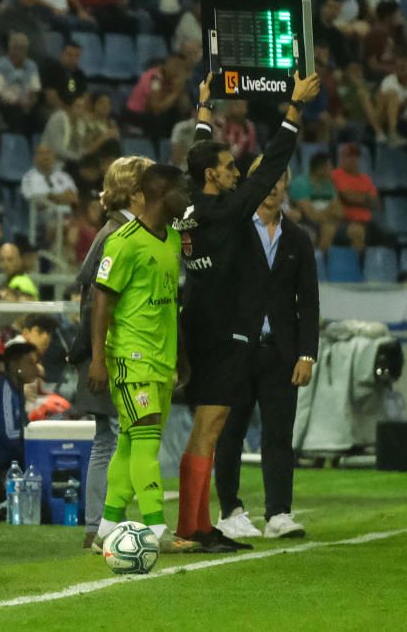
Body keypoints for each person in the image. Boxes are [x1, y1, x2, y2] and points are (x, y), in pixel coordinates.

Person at [176, 71, 319, 550]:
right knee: (212, 428)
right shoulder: (227, 211)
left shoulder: (188, 203)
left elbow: (197, 158)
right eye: (229, 168)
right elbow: (270, 163)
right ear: (215, 177)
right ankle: (193, 526)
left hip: (197, 329)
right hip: (223, 336)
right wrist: (294, 110)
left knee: (209, 428)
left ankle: (197, 524)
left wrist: (203, 110)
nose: (237, 173)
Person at [87, 163, 194, 553]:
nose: (188, 200)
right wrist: (98, 358)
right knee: (146, 439)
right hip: (130, 357)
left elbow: (170, 302)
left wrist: (181, 355)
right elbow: (102, 301)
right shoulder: (123, 241)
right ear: (161, 194)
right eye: (183, 192)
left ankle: (105, 528)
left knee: (131, 442)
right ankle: (156, 530)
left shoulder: (169, 239)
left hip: (161, 357)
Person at [214, 161, 319, 541]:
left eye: (280, 181)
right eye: (267, 181)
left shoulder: (297, 238)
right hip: (237, 350)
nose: (273, 188)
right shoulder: (234, 231)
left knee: (279, 435)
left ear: (288, 186)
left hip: (281, 353)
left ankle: (279, 513)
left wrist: (307, 354)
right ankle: (230, 509)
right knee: (230, 433)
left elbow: (308, 302)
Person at [69, 155, 149, 548]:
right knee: (112, 439)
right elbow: (92, 301)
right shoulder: (115, 235)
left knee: (114, 438)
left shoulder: (119, 230)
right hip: (107, 354)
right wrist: (93, 357)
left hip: (112, 352)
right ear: (134, 191)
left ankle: (100, 521)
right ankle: (99, 524)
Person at [0, 341, 41, 472]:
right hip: (0, 464)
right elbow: (9, 435)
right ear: (13, 365)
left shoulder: (17, 391)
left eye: (36, 363)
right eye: (29, 363)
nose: (36, 369)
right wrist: (35, 444)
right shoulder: (2, 391)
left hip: (13, 460)